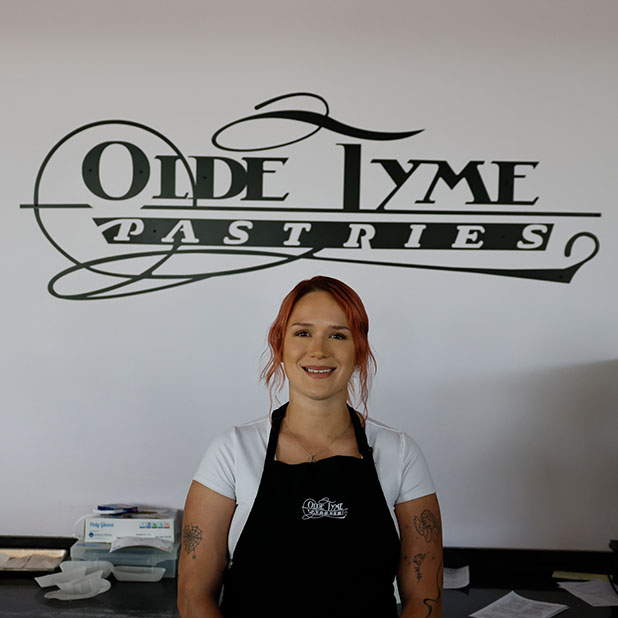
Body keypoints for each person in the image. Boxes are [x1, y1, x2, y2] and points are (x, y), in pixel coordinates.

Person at [178, 276, 443, 618]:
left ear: (359, 350)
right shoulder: (231, 451)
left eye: (338, 335)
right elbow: (193, 596)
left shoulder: (401, 453)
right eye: (303, 333)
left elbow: (425, 598)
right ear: (280, 345)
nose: (319, 350)